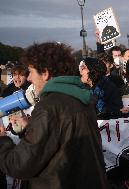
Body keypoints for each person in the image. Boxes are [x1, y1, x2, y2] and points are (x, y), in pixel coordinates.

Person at [0, 42, 109, 189]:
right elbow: (61, 138)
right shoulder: (79, 97)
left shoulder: (49, 107)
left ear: (45, 73)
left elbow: (20, 165)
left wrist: (2, 141)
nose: (30, 78)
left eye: (31, 72)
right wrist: (32, 127)